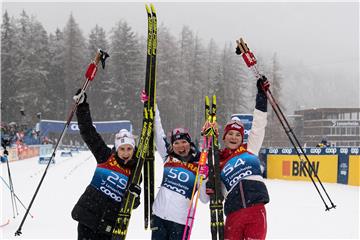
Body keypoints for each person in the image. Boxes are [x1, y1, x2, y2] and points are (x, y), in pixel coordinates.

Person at [71, 90, 141, 240]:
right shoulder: (105, 156)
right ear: (117, 149)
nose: (126, 153)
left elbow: (132, 204)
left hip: (109, 224)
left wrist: (136, 195)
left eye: (129, 149)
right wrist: (82, 106)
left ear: (134, 149)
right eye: (122, 149)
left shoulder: (135, 171)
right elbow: (89, 133)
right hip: (88, 216)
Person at [214, 76, 270, 240]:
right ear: (224, 137)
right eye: (230, 134)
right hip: (234, 214)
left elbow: (258, 126)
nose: (233, 137)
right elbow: (211, 189)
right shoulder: (218, 160)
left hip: (256, 211)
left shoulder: (250, 149)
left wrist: (261, 96)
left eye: (237, 135)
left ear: (242, 137)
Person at [147, 92, 208, 240]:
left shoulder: (199, 162)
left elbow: (205, 199)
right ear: (172, 145)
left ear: (189, 143)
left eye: (184, 142)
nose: (180, 146)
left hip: (180, 222)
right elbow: (157, 130)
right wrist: (151, 105)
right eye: (176, 143)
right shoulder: (168, 157)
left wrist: (203, 177)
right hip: (159, 216)